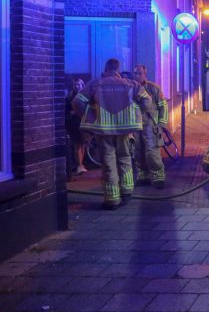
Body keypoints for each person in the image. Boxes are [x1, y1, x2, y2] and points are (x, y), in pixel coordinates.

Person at [73, 59, 152, 210]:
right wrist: (135, 115)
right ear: (118, 69)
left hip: (104, 131)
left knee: (108, 163)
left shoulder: (95, 84)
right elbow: (147, 102)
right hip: (125, 130)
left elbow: (77, 102)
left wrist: (90, 116)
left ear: (106, 69)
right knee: (125, 158)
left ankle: (112, 200)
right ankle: (127, 192)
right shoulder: (131, 84)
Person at [133, 65, 168, 189]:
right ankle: (143, 176)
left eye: (140, 73)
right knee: (137, 151)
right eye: (135, 73)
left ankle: (158, 176)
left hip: (150, 123)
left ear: (145, 74)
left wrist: (161, 124)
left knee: (152, 151)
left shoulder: (154, 88)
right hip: (135, 124)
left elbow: (163, 106)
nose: (137, 76)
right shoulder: (131, 88)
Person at [65, 78, 87, 178]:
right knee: (77, 144)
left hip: (83, 123)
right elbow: (67, 112)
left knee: (82, 144)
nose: (77, 86)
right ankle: (79, 165)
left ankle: (81, 164)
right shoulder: (69, 97)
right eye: (75, 85)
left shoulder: (85, 96)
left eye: (78, 85)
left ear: (82, 86)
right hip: (74, 123)